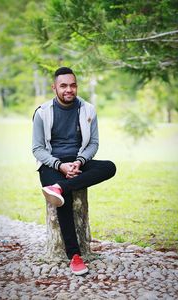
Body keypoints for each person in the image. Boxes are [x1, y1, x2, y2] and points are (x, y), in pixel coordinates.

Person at [32, 67, 116, 275]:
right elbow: (37, 149)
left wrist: (79, 162)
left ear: (76, 86)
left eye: (72, 85)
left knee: (109, 167)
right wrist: (59, 165)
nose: (69, 89)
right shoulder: (42, 112)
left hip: (78, 160)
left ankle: (59, 187)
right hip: (52, 164)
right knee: (64, 199)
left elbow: (94, 143)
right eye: (63, 86)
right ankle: (75, 255)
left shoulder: (88, 110)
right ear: (54, 88)